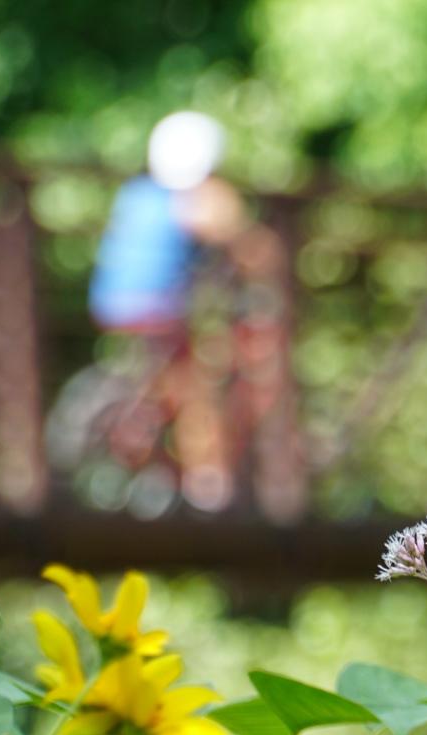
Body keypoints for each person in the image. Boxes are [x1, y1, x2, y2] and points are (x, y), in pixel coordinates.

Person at [87, 111, 249, 511]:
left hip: (110, 305)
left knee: (166, 379)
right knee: (196, 386)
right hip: (159, 312)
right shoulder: (194, 200)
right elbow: (242, 242)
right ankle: (207, 482)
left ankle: (161, 468)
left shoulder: (136, 194)